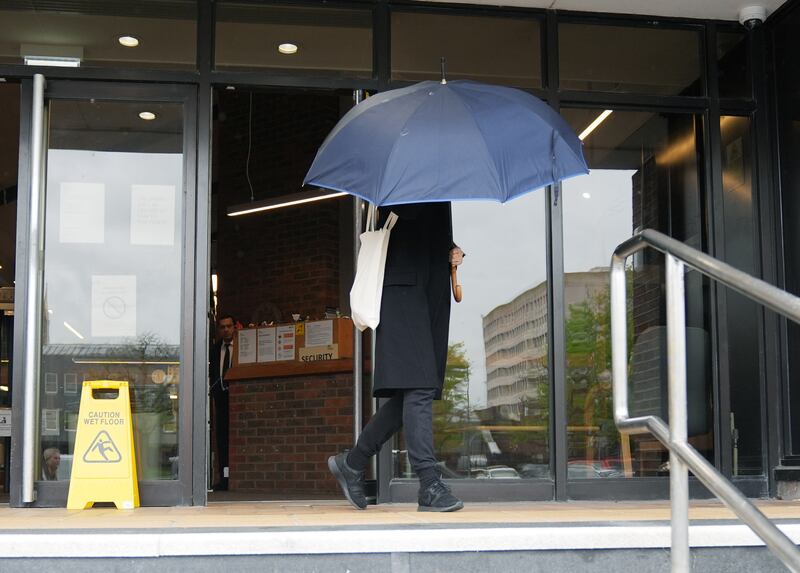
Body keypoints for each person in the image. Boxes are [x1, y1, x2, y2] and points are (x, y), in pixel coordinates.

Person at [328, 202, 465, 512]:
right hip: (403, 289)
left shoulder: (438, 180)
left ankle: (352, 462)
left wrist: (451, 249)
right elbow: (402, 221)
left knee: (415, 390)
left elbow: (432, 229)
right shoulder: (404, 175)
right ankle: (429, 483)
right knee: (419, 387)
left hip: (431, 292)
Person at [209, 314, 236, 491]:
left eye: (229, 326)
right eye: (222, 327)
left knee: (234, 437)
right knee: (221, 438)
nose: (226, 329)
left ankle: (233, 477)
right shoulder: (214, 349)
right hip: (220, 399)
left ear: (234, 327)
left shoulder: (242, 347)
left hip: (237, 398)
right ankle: (224, 478)